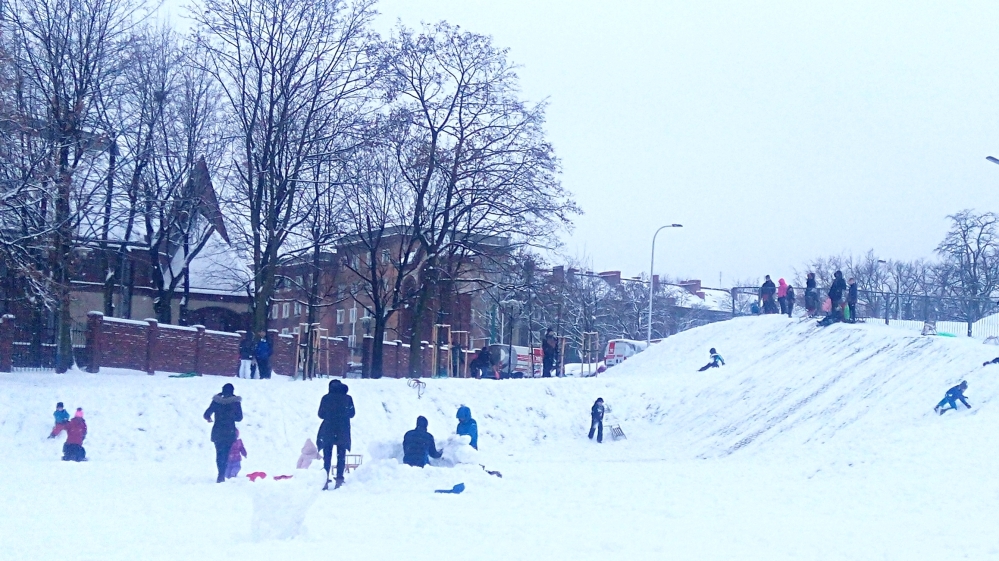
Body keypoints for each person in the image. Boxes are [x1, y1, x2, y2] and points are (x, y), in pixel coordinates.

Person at [317, 379, 355, 490]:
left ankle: (325, 480)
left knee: (327, 456)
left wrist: (330, 414)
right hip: (343, 430)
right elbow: (352, 414)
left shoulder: (326, 398)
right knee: (341, 456)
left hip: (328, 429)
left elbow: (321, 414)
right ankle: (339, 479)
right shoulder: (348, 398)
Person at [204, 383, 243, 483]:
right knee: (225, 454)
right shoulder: (235, 402)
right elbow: (239, 418)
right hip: (229, 432)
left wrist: (209, 418)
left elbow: (206, 414)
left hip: (218, 431)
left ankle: (220, 474)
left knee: (219, 453)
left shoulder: (216, 401)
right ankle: (222, 474)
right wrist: (230, 416)